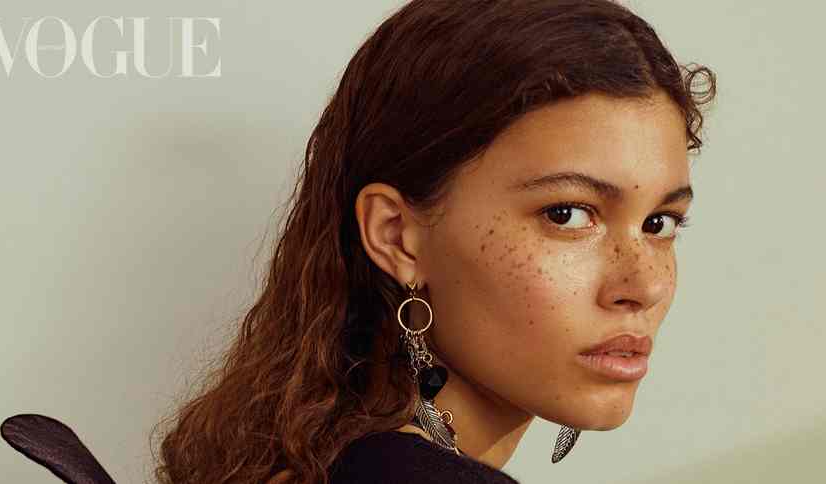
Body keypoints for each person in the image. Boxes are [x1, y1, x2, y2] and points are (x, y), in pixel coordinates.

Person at [141, 1, 718, 483]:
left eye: (660, 223)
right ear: (396, 236)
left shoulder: (313, 463)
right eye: (566, 214)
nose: (643, 285)